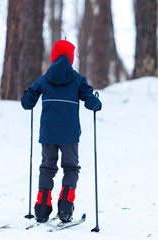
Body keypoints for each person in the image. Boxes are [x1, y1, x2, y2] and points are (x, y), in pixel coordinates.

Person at [21, 38, 101, 223]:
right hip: (69, 133)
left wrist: (28, 95)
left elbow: (27, 103)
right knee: (71, 168)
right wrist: (96, 104)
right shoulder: (78, 80)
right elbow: (90, 100)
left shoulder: (45, 79)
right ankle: (65, 205)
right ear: (71, 58)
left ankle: (41, 208)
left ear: (53, 57)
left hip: (48, 132)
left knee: (47, 167)